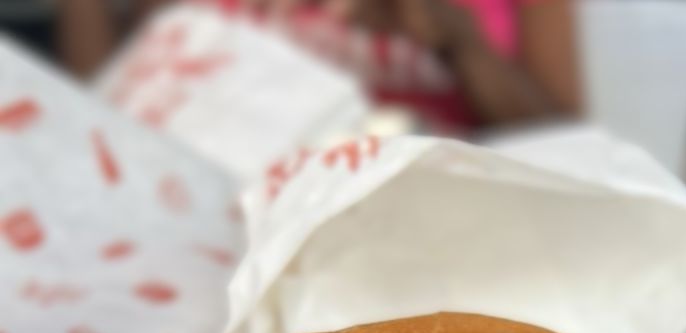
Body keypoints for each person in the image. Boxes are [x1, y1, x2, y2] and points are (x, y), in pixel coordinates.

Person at [56, 0, 580, 131]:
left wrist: (463, 47)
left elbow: (566, 140)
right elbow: (113, 128)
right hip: (226, 239)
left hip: (441, 241)